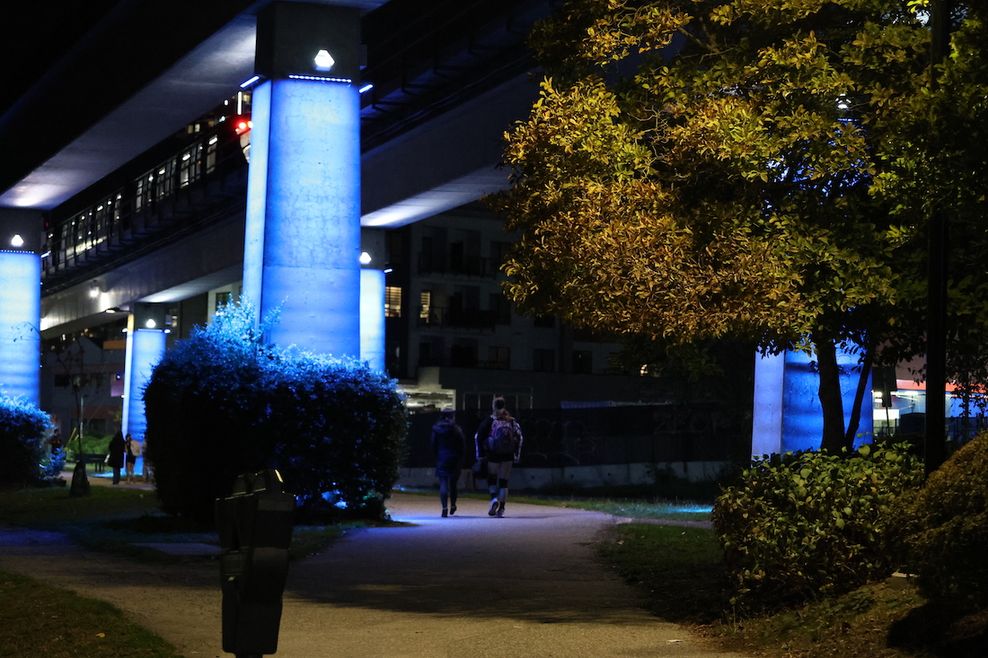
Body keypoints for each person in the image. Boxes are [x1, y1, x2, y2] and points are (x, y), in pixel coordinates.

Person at [474, 396, 523, 518]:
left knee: (492, 478)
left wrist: (479, 454)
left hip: (493, 454)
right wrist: (516, 454)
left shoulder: (489, 421)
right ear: (504, 406)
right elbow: (520, 437)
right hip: (508, 455)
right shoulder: (511, 421)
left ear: (493, 406)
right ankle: (501, 509)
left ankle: (493, 499)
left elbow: (477, 437)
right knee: (504, 482)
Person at [431, 407, 465, 517]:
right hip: (454, 458)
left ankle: (444, 508)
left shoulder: (436, 428)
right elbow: (462, 445)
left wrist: (437, 456)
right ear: (452, 416)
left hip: (442, 457)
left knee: (443, 483)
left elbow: (433, 444)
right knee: (453, 484)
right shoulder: (456, 429)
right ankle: (453, 505)